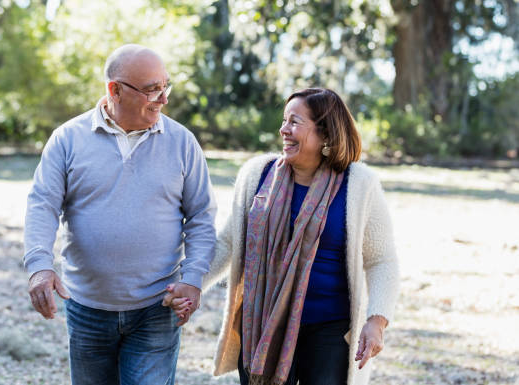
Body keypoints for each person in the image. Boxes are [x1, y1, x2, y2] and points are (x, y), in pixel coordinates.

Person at [165, 88, 399, 385]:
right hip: (262, 323)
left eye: (294, 122)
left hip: (329, 328)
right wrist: (192, 282)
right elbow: (228, 243)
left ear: (326, 133)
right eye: (284, 120)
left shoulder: (359, 184)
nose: (283, 130)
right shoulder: (257, 175)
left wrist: (376, 321)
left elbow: (382, 260)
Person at [23, 44, 216, 385]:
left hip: (157, 308)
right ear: (115, 90)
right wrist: (39, 266)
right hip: (87, 308)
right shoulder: (67, 139)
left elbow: (201, 216)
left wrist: (192, 277)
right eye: (152, 90)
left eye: (165, 86)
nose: (163, 99)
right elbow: (43, 205)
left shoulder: (182, 142)